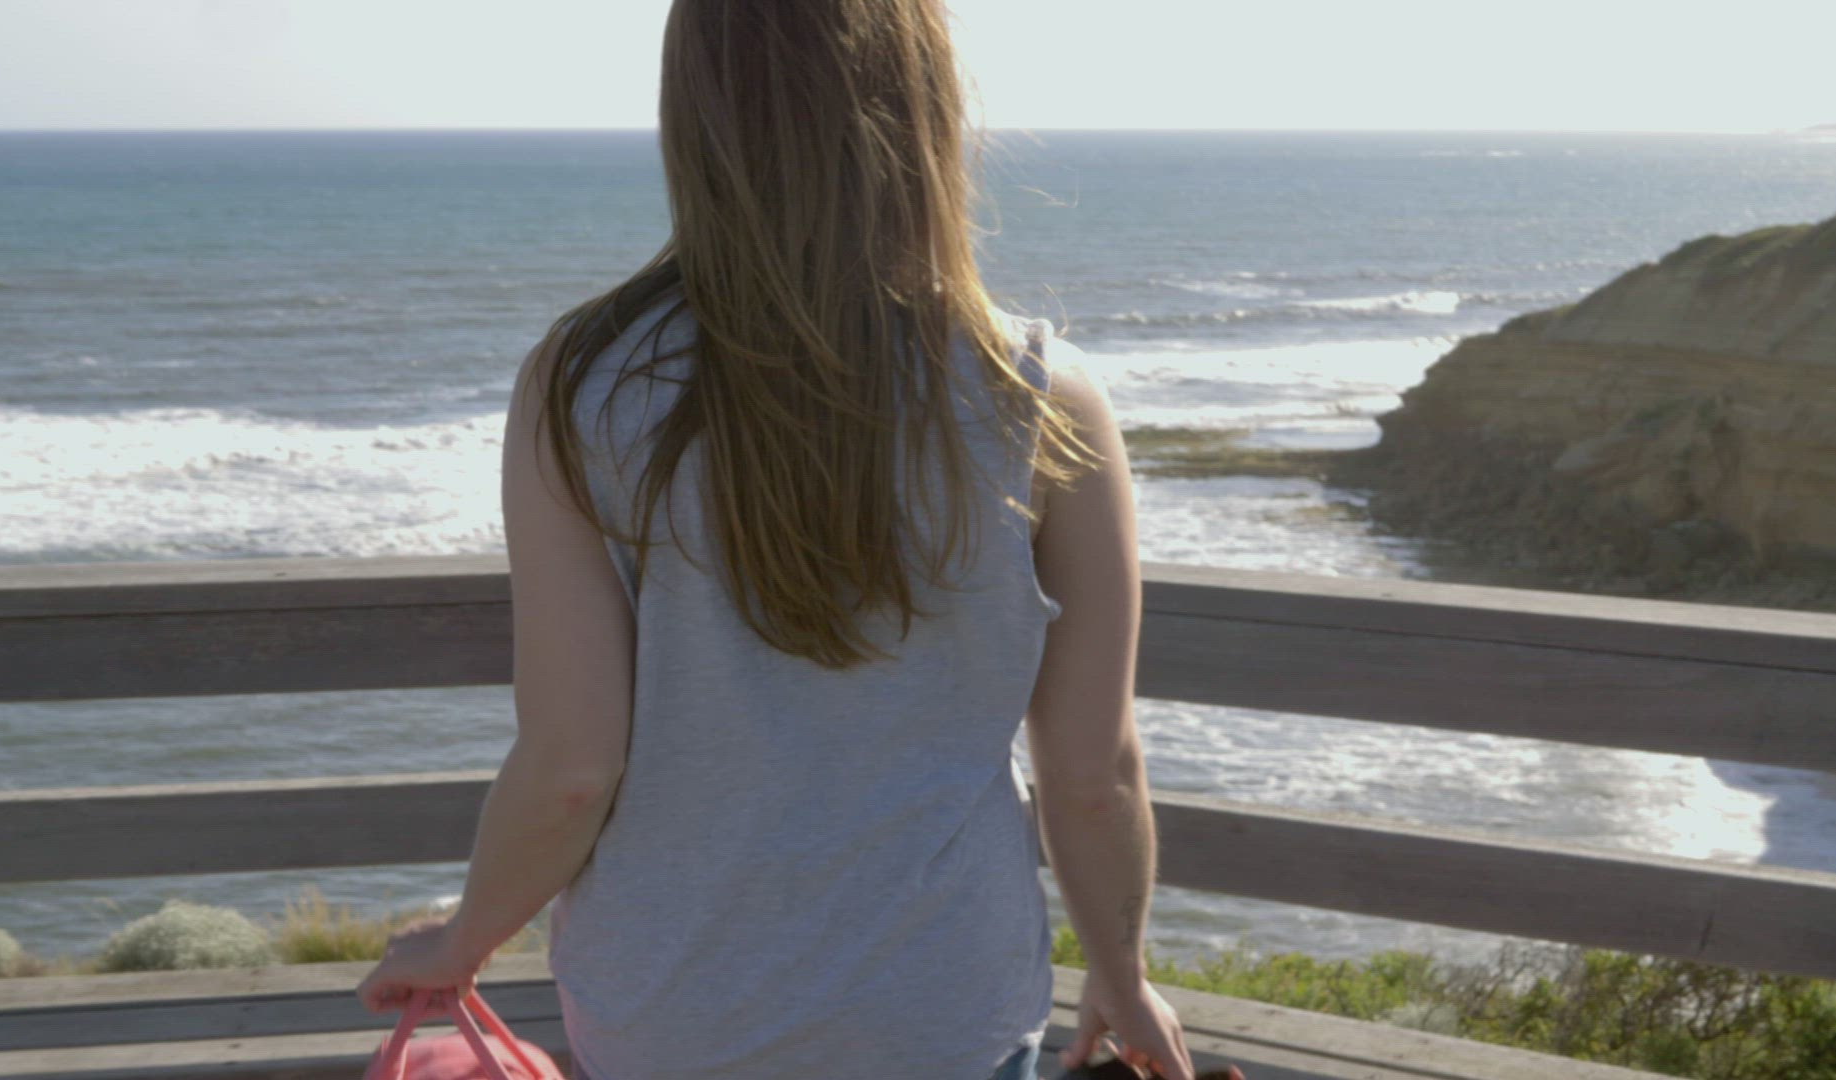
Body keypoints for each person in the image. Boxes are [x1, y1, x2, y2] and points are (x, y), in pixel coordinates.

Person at [356, 2, 1225, 1078]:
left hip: (672, 1015)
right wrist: (1122, 974)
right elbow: (1093, 774)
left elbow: (573, 766)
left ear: (696, 112)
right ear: (926, 108)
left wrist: (464, 937)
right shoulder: (1041, 397)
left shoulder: (581, 386)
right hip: (942, 1010)